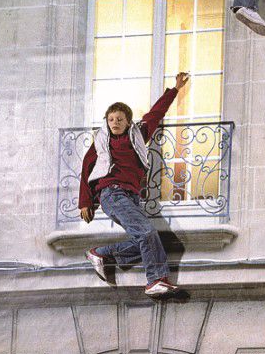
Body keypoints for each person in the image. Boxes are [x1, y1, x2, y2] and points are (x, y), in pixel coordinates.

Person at [80, 72, 190, 300]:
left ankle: (101, 254)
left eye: (120, 119)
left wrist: (174, 90)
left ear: (128, 121)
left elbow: (156, 113)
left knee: (145, 238)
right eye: (111, 120)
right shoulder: (102, 142)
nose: (115, 123)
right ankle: (156, 280)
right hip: (111, 193)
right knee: (148, 232)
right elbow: (87, 165)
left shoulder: (138, 134)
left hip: (130, 197)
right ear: (106, 122)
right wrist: (85, 202)